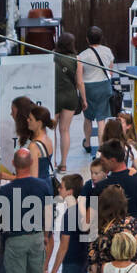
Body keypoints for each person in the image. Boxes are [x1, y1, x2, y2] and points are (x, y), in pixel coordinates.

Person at [78, 26, 117, 154]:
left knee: (88, 118)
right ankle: (101, 148)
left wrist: (83, 98)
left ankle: (87, 143)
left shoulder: (82, 56)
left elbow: (80, 78)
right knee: (101, 120)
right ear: (101, 38)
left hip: (89, 88)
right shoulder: (108, 51)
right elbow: (110, 71)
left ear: (87, 39)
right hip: (104, 86)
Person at [52, 32, 84, 172]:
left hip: (54, 96)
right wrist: (84, 99)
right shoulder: (77, 59)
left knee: (52, 130)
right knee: (64, 130)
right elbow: (80, 82)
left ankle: (52, 161)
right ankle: (63, 163)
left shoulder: (51, 56)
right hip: (70, 96)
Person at [93, 138, 137, 217]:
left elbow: (92, 216)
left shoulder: (101, 187)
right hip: (132, 226)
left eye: (103, 161)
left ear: (112, 160)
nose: (101, 164)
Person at [23, 105, 57, 190]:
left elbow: (34, 178)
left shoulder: (34, 146)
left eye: (31, 119)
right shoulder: (48, 140)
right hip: (47, 185)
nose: (27, 120)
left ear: (39, 123)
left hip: (38, 190)